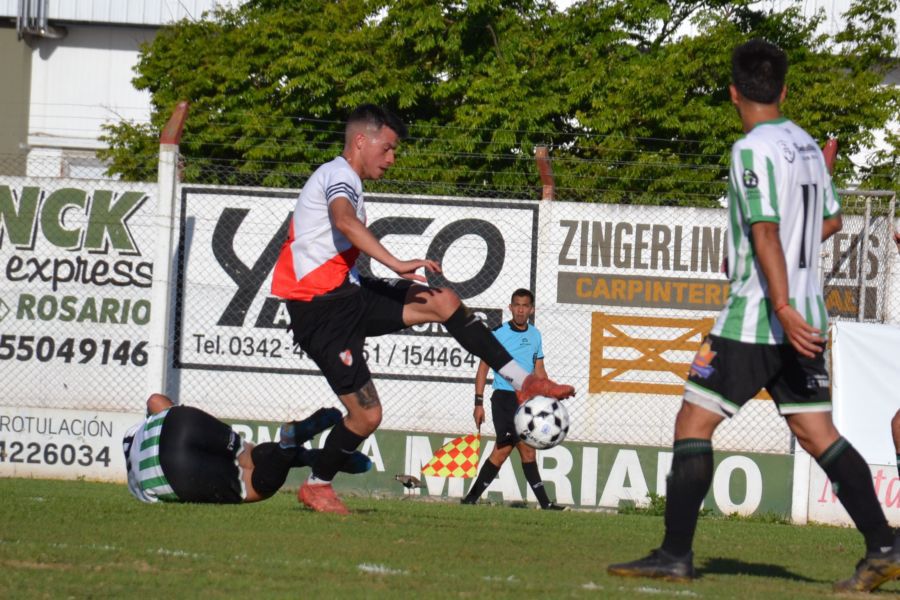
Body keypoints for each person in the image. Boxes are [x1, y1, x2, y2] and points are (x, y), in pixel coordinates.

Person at [607, 39, 899, 593]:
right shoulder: (809, 147)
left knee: (694, 423)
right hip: (808, 313)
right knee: (817, 432)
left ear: (733, 92)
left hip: (761, 313)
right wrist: (786, 282)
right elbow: (831, 222)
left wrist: (779, 300)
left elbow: (765, 230)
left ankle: (674, 554)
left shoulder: (751, 149)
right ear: (784, 90)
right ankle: (884, 543)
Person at [271, 104, 574, 515]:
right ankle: (316, 484)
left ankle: (525, 382)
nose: (393, 158)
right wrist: (394, 262)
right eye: (389, 147)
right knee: (366, 416)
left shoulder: (348, 180)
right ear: (362, 140)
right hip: (320, 311)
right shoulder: (338, 175)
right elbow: (343, 221)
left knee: (444, 302)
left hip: (349, 294)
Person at [122, 394, 370, 504]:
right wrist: (167, 415)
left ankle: (290, 446)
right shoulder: (134, 431)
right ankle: (310, 456)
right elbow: (155, 400)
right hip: (178, 421)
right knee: (247, 454)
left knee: (251, 484)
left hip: (166, 471)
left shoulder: (135, 482)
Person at [461, 288, 566, 510]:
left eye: (524, 305)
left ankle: (545, 504)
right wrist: (478, 403)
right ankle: (471, 499)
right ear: (510, 307)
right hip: (504, 399)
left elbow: (539, 370)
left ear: (531, 309)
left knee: (521, 450)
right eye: (516, 305)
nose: (520, 309)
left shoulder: (535, 335)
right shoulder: (498, 334)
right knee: (507, 449)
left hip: (527, 401)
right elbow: (482, 370)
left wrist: (551, 394)